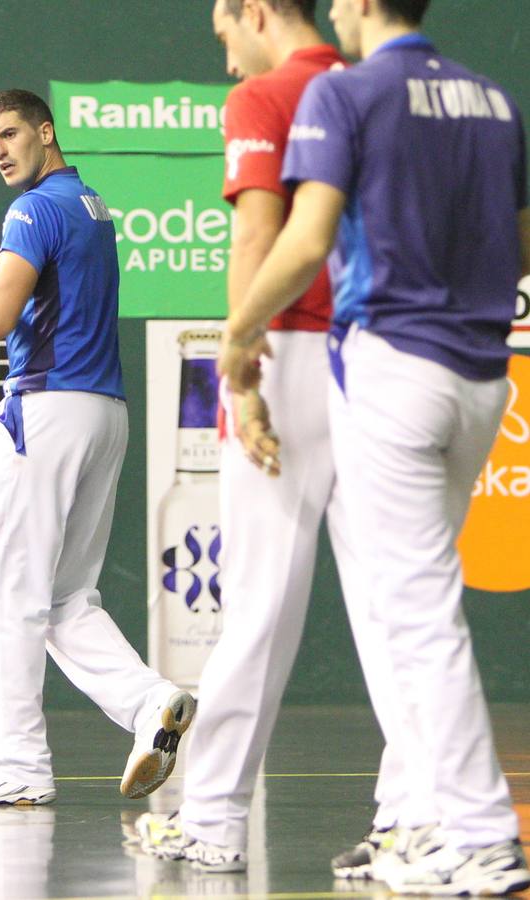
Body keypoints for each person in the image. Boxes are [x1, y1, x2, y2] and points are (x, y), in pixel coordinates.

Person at [217, 0, 530, 894]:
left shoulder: (344, 95)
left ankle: (477, 833)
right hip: (482, 381)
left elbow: (303, 237)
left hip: (396, 375)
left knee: (416, 614)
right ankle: (423, 824)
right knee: (411, 606)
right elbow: (518, 248)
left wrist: (240, 334)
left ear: (355, 4)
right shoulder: (493, 100)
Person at [136, 0, 407, 873]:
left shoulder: (267, 96)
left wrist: (237, 362)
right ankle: (409, 818)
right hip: (378, 358)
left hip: (285, 353)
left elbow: (260, 231)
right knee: (393, 607)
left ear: (255, 11)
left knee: (256, 603)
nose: (226, 63)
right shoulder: (375, 86)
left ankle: (211, 821)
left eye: (225, 36)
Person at [0, 89, 195, 806]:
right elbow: (28, 312)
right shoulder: (91, 206)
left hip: (45, 411)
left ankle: (17, 770)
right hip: (102, 412)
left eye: (11, 135)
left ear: (46, 131)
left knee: (4, 593)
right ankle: (150, 704)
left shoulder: (31, 209)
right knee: (64, 597)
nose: (1, 152)